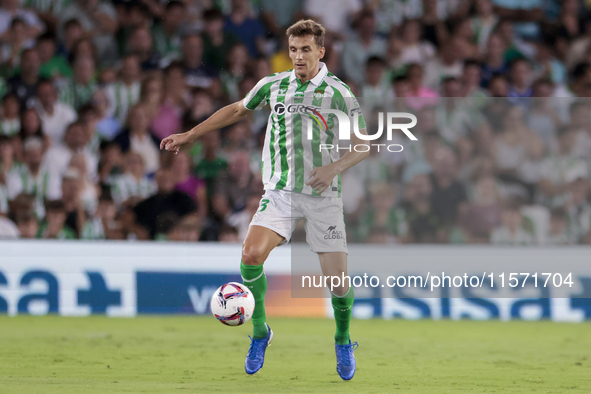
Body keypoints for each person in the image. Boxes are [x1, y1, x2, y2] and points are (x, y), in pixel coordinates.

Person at [160, 19, 369, 380]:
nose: (298, 56)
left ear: (321, 51)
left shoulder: (339, 93)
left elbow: (363, 145)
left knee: (337, 283)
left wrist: (333, 167)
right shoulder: (274, 85)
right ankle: (260, 332)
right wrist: (191, 134)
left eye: (305, 50)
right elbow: (238, 109)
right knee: (250, 255)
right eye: (293, 50)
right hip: (281, 192)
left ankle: (343, 338)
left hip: (322, 196)